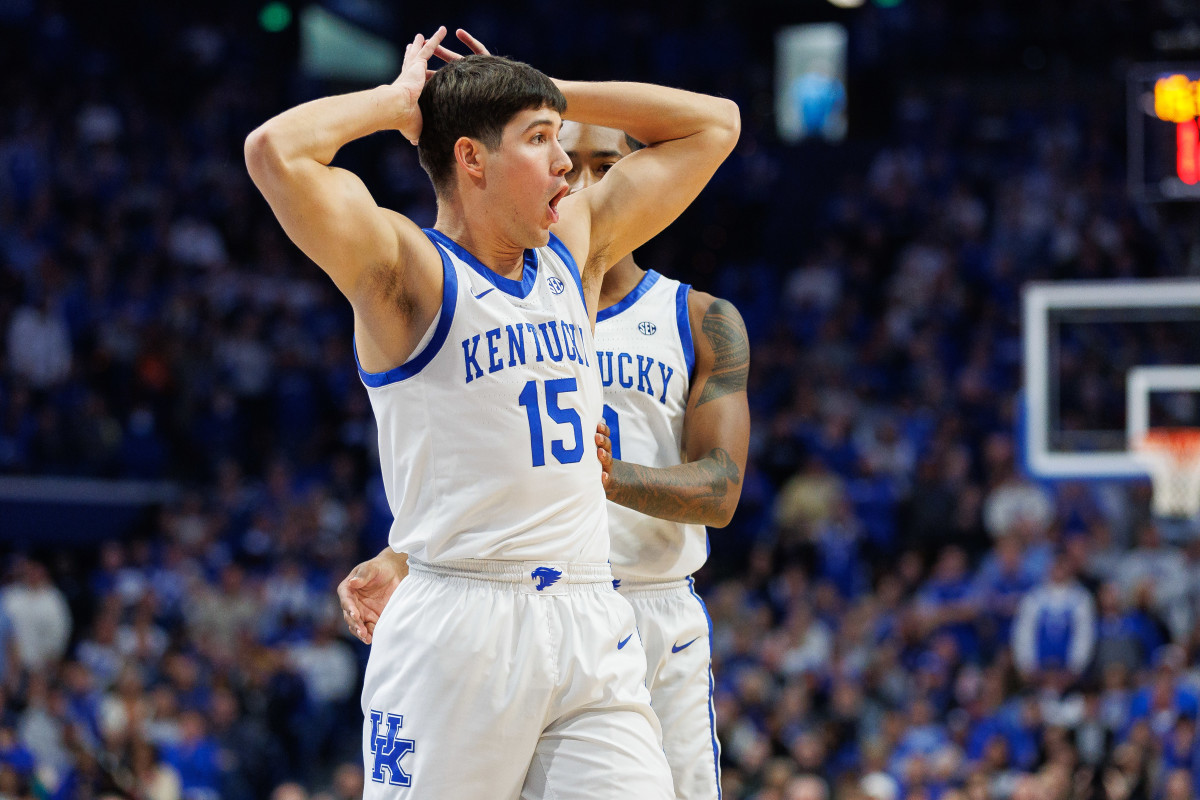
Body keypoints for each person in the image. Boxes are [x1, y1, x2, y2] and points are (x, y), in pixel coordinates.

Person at [246, 25, 739, 800]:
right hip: (461, 626)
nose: (565, 159)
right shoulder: (407, 273)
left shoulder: (571, 251)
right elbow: (275, 152)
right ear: (471, 159)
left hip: (585, 612)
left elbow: (716, 124)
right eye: (540, 139)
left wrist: (541, 89)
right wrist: (395, 102)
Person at [340, 119, 751, 800]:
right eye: (570, 158)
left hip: (643, 611)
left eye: (605, 166)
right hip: (513, 603)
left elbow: (722, 493)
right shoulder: (504, 303)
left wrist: (611, 477)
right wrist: (406, 555)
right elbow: (477, 472)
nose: (582, 180)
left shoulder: (694, 317)